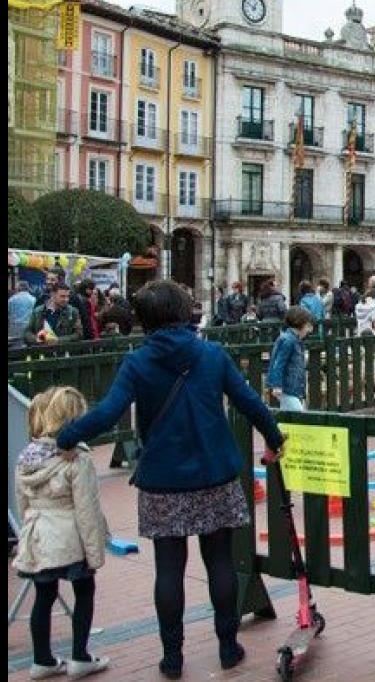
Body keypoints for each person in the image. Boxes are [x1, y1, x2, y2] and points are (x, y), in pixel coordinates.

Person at [53, 280, 286, 678]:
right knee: (220, 562)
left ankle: (172, 657)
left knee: (169, 569)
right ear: (183, 313)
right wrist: (274, 437)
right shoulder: (212, 354)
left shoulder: (138, 362)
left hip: (163, 479)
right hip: (214, 473)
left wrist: (67, 436)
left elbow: (108, 413)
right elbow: (249, 401)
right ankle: (228, 647)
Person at [14, 387, 111, 679]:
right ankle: (80, 656)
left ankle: (41, 660)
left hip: (39, 537)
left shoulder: (26, 459)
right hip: (71, 537)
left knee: (43, 596)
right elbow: (87, 510)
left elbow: (23, 505)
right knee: (84, 590)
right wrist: (95, 553)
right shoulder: (76, 460)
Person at [267, 307, 314, 411]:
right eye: (308, 326)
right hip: (288, 387)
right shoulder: (289, 341)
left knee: (290, 418)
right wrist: (277, 385)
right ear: (299, 324)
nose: (310, 330)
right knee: (299, 417)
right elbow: (279, 363)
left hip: (293, 387)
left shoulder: (294, 340)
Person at [9, 280, 36, 346]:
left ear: (18, 288)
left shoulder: (11, 299)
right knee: (29, 348)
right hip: (29, 328)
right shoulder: (34, 299)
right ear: (28, 288)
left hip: (14, 328)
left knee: (15, 348)